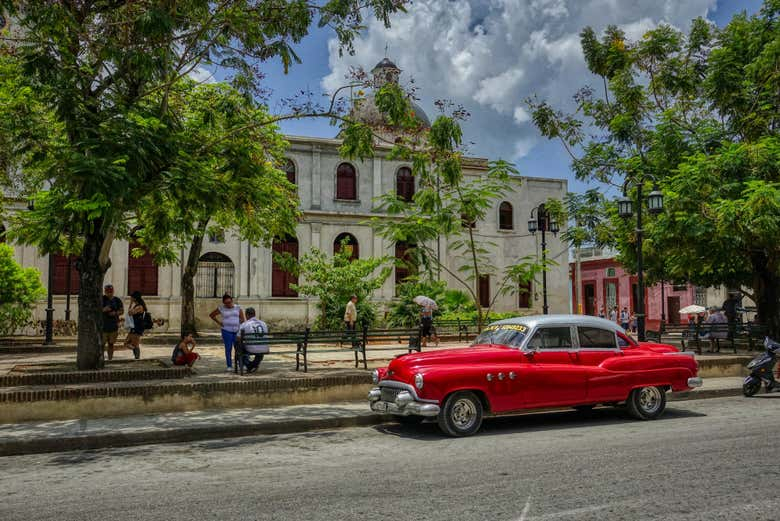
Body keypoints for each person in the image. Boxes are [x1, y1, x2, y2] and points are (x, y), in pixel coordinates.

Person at [209, 293, 245, 372]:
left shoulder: (238, 308)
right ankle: (229, 365)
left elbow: (242, 320)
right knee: (228, 348)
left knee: (238, 348)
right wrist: (219, 322)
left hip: (237, 330)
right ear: (224, 303)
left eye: (229, 302)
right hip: (226, 330)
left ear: (232, 301)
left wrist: (240, 328)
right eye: (226, 303)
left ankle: (241, 364)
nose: (228, 304)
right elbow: (211, 315)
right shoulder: (221, 308)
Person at [237, 307, 269, 373]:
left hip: (252, 348)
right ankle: (254, 365)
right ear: (254, 314)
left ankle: (248, 365)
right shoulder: (263, 323)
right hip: (264, 348)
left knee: (237, 345)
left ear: (247, 315)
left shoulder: (244, 324)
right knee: (259, 347)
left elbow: (238, 338)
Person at [101, 284, 123, 361]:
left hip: (113, 325)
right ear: (105, 291)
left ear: (113, 291)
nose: (109, 293)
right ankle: (101, 359)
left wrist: (115, 313)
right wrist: (104, 310)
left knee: (111, 344)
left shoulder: (117, 300)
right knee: (102, 344)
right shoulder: (101, 299)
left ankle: (110, 359)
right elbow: (96, 310)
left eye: (111, 291)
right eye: (107, 291)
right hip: (103, 326)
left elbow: (121, 311)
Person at [123, 291, 146, 360]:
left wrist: (131, 303)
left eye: (132, 297)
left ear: (135, 298)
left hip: (137, 328)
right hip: (134, 327)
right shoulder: (136, 306)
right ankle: (136, 356)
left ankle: (137, 358)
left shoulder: (139, 307)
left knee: (133, 344)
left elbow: (130, 313)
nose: (130, 298)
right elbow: (129, 312)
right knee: (128, 343)